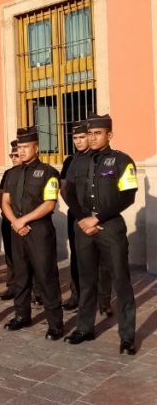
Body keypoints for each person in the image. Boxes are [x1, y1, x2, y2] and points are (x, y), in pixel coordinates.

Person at [64, 114, 138, 355]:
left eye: (98, 133)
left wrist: (96, 218)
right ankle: (84, 328)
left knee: (121, 280)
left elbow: (128, 196)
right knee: (86, 281)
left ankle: (127, 337)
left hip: (110, 227)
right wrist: (83, 219)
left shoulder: (122, 161)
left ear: (109, 135)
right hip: (83, 228)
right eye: (90, 133)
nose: (93, 137)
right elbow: (69, 193)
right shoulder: (77, 162)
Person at [0, 127, 64, 340]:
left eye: (26, 147)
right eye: (19, 147)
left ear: (36, 147)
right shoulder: (12, 173)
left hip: (39, 230)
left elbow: (49, 203)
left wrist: (23, 220)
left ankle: (55, 323)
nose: (22, 151)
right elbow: (5, 201)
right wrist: (15, 222)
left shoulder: (48, 173)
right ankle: (21, 315)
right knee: (21, 275)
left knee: (46, 276)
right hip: (17, 229)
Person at [59, 121, 111, 313]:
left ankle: (103, 301)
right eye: (75, 138)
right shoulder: (70, 161)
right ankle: (77, 295)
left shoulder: (102, 158)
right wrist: (78, 213)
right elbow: (64, 188)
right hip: (77, 216)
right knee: (77, 257)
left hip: (100, 216)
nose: (79, 142)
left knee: (103, 260)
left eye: (82, 137)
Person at [0, 141, 22, 300]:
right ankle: (12, 286)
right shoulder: (8, 173)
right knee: (10, 255)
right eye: (11, 155)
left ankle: (36, 291)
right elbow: (1, 196)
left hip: (25, 220)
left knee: (30, 257)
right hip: (9, 219)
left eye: (16, 155)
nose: (13, 158)